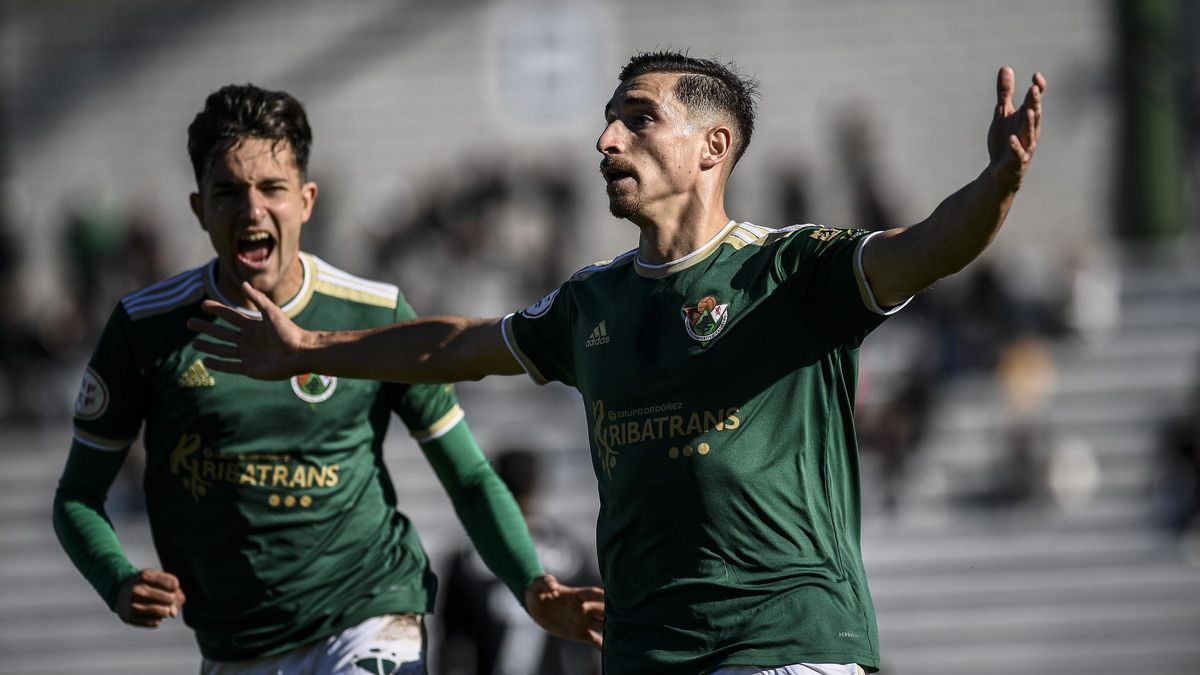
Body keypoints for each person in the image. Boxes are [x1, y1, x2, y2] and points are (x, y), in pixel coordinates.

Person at [191, 52, 1046, 674]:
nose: (605, 138)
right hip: (643, 654)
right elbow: (454, 344)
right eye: (608, 117)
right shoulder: (589, 302)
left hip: (786, 645)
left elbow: (932, 245)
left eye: (637, 117)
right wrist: (310, 348)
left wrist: (998, 183)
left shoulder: (794, 269)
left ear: (713, 147)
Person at [52, 84, 602, 675]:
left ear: (307, 200)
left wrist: (531, 582)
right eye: (229, 191)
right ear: (198, 208)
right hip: (236, 646)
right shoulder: (145, 328)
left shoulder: (374, 313)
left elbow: (468, 475)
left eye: (272, 189)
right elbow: (77, 497)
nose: (252, 210)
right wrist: (116, 578)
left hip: (369, 616)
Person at [440, 448, 602, 675]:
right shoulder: (570, 557)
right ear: (537, 484)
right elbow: (592, 636)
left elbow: (452, 647)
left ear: (494, 485)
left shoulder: (467, 560)